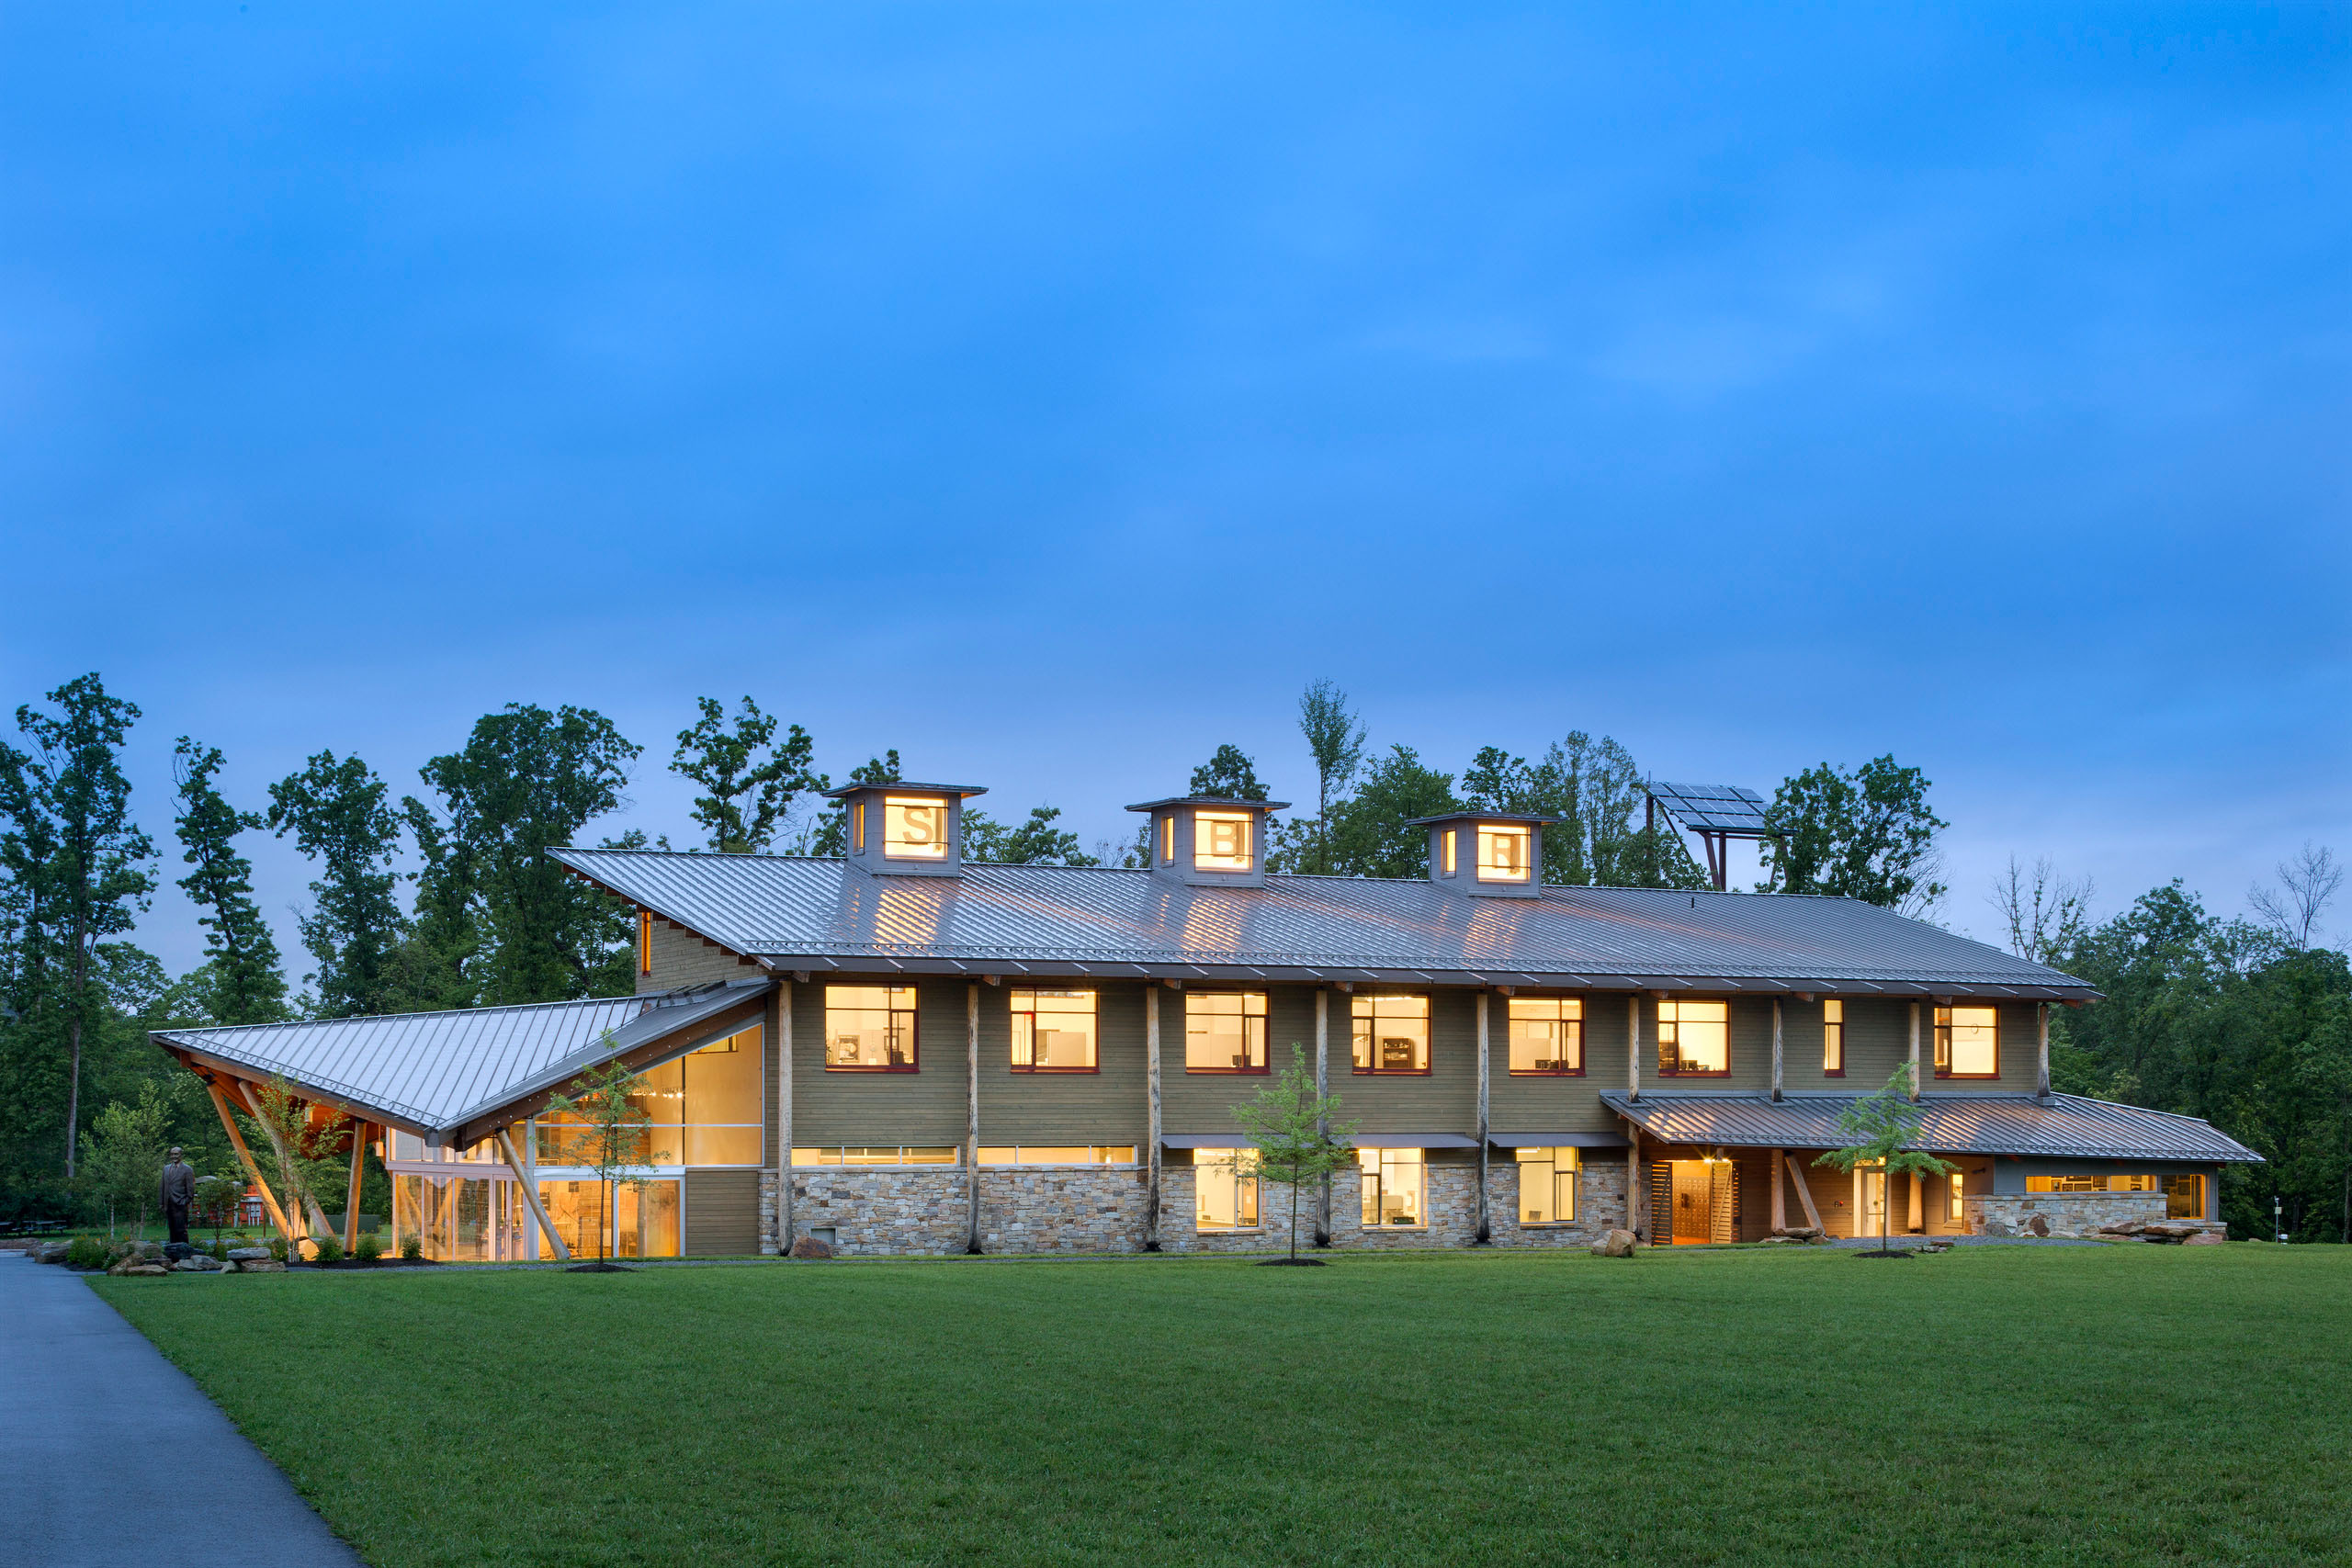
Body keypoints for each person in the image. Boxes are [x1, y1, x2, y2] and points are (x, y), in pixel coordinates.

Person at [160, 1146, 198, 1248]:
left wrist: (185, 1201)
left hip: (180, 1204)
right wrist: (161, 1203)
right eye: (172, 1154)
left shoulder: (187, 1169)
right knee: (172, 1230)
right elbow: (162, 1186)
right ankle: (173, 1253)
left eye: (176, 1154)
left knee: (181, 1230)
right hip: (168, 1204)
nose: (174, 1156)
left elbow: (191, 1188)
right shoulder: (166, 1168)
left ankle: (184, 1252)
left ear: (181, 1155)